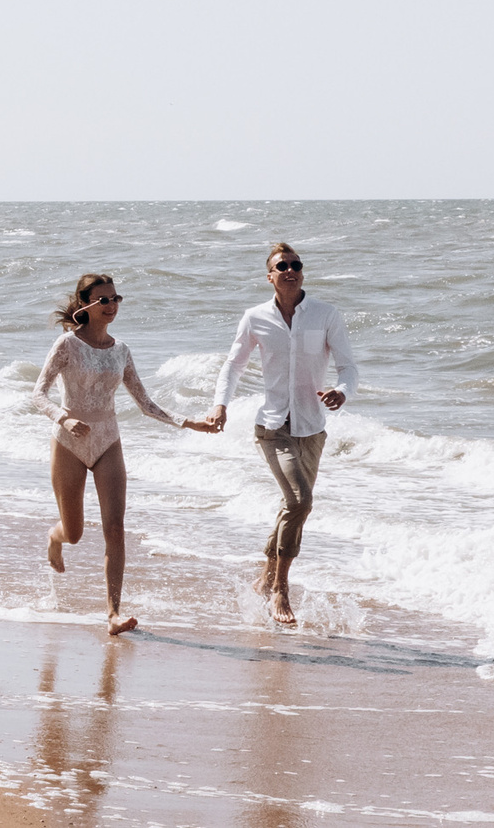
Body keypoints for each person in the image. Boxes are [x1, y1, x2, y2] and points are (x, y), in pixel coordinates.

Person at [192, 241, 361, 626]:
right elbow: (233, 366)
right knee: (300, 501)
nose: (290, 270)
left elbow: (349, 367)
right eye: (281, 265)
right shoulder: (255, 318)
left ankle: (265, 578)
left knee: (293, 507)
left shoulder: (325, 314)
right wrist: (221, 404)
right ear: (270, 276)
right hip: (272, 426)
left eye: (296, 264)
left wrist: (342, 391)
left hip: (313, 427)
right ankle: (281, 589)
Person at [33, 272, 206, 635]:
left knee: (115, 528)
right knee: (75, 532)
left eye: (115, 299)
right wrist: (63, 420)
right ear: (85, 304)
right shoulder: (67, 344)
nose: (111, 305)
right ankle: (55, 537)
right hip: (68, 443)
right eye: (103, 299)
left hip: (108, 441)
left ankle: (113, 613)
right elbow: (38, 394)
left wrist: (188, 422)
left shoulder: (121, 350)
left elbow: (145, 403)